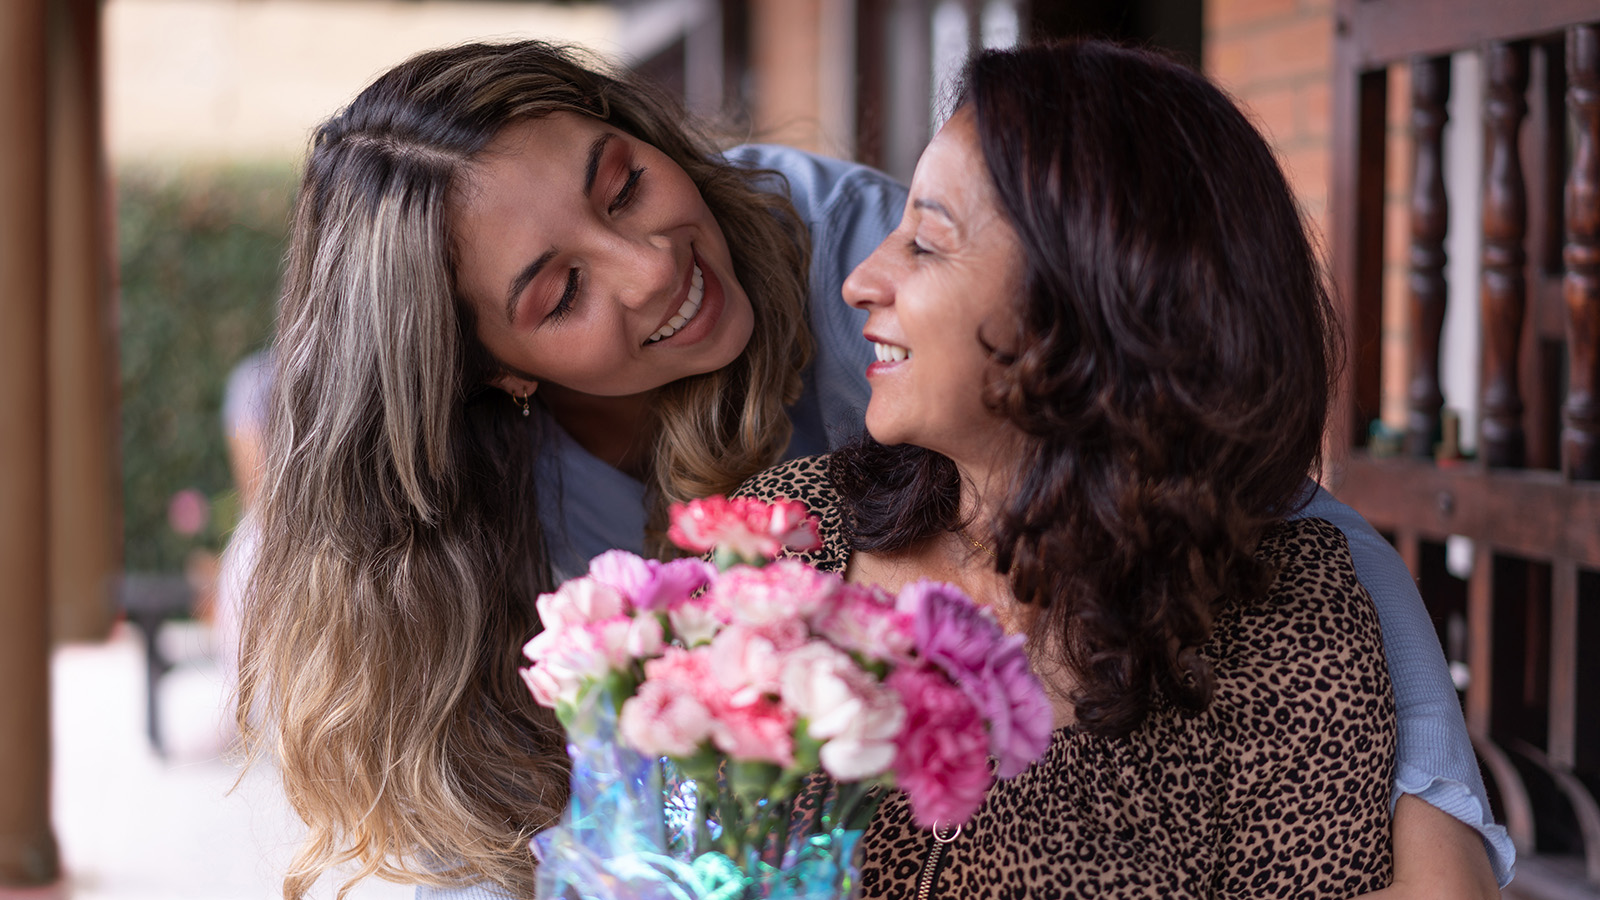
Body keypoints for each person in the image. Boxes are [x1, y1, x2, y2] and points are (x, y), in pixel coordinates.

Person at [236, 39, 1509, 900]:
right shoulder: (711, 540)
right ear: (492, 370)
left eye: (624, 186)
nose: (650, 267)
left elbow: (1230, 475)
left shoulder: (840, 249)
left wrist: (1433, 813)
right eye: (559, 291)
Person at [733, 39, 1506, 898]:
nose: (859, 282)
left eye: (927, 243)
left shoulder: (1290, 631)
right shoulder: (778, 541)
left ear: (1094, 308)